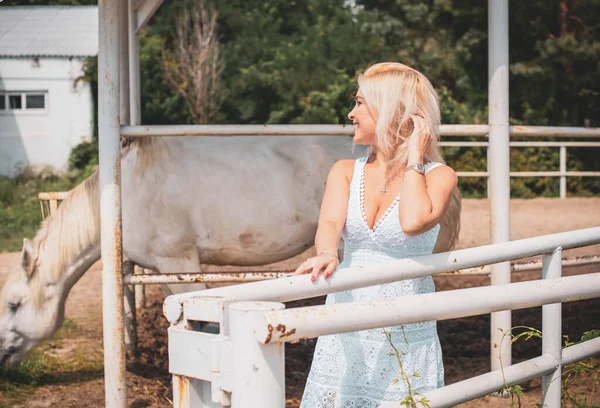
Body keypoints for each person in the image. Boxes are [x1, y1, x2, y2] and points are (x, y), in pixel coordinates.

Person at [293, 62, 458, 407]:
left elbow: (413, 221)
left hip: (403, 327)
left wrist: (414, 155)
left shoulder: (439, 177)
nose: (351, 114)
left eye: (360, 103)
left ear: (391, 112)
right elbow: (328, 226)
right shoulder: (344, 171)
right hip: (346, 316)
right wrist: (327, 252)